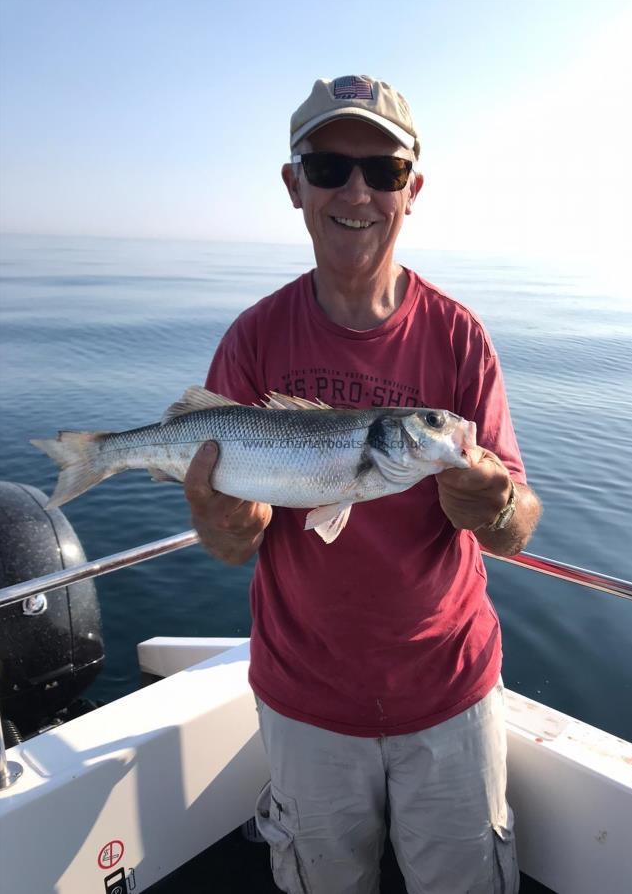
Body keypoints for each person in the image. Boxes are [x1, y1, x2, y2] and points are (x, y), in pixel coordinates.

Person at [185, 75, 542, 894]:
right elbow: (228, 542)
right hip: (303, 701)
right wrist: (220, 513)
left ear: (411, 191)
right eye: (329, 166)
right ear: (293, 184)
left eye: (383, 173)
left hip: (449, 694)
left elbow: (518, 519)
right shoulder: (253, 338)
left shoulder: (458, 338)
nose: (356, 192)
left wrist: (493, 509)